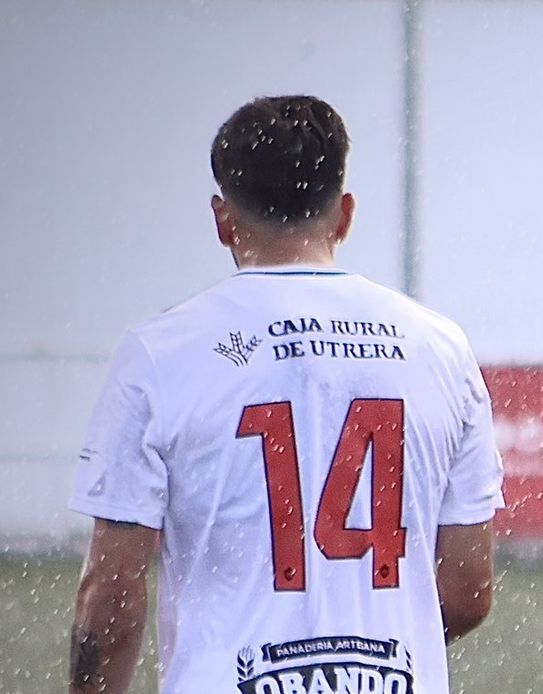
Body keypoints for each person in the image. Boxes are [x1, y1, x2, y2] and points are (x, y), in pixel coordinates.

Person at [67, 95, 503, 694]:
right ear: (345, 215)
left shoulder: (160, 353)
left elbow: (110, 592)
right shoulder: (440, 348)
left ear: (223, 220)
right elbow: (468, 591)